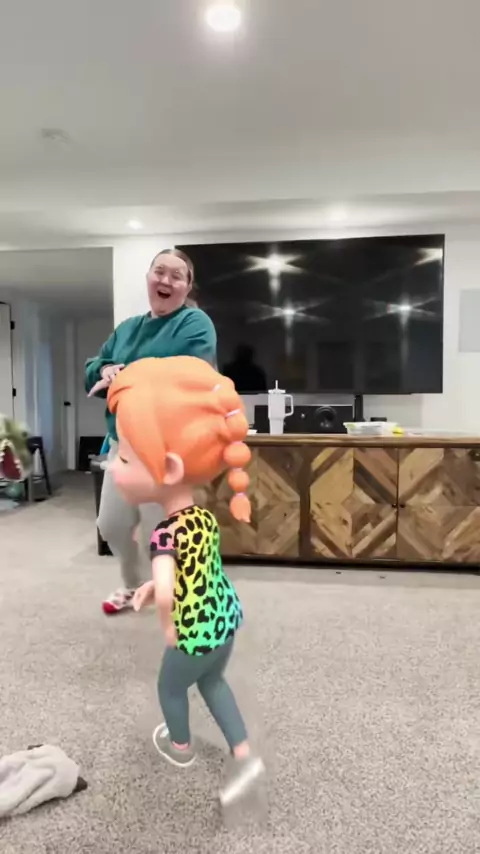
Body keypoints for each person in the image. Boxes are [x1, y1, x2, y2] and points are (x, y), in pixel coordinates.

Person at [106, 355, 265, 806]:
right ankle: (242, 749)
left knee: (171, 687)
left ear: (171, 469)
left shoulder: (163, 535)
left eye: (123, 456)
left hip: (193, 630)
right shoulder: (202, 518)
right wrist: (151, 586)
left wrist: (168, 627)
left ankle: (180, 746)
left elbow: (169, 589)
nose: (113, 466)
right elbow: (195, 568)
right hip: (223, 621)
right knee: (213, 682)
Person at [85, 249, 217, 614]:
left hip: (166, 446)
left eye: (177, 276)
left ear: (187, 287)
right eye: (159, 272)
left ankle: (173, 592)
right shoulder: (127, 328)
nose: (166, 281)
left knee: (161, 529)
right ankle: (134, 583)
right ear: (148, 278)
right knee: (111, 524)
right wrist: (105, 370)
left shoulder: (195, 323)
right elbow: (94, 366)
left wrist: (125, 375)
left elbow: (190, 372)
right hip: (123, 444)